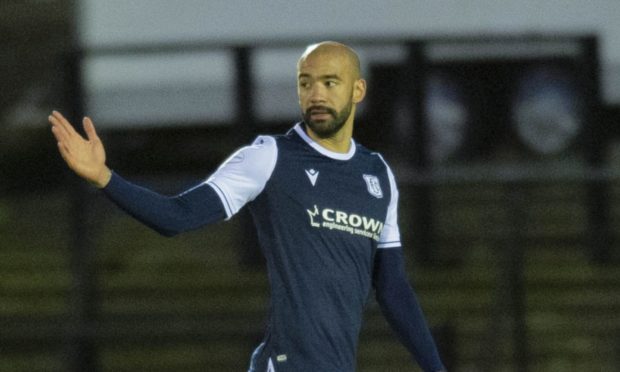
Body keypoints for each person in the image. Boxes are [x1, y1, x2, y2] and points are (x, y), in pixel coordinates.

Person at [49, 41, 446, 372]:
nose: (317, 94)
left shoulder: (378, 175)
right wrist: (104, 177)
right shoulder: (269, 157)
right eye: (305, 83)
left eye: (330, 82)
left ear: (358, 90)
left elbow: (393, 288)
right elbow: (176, 217)